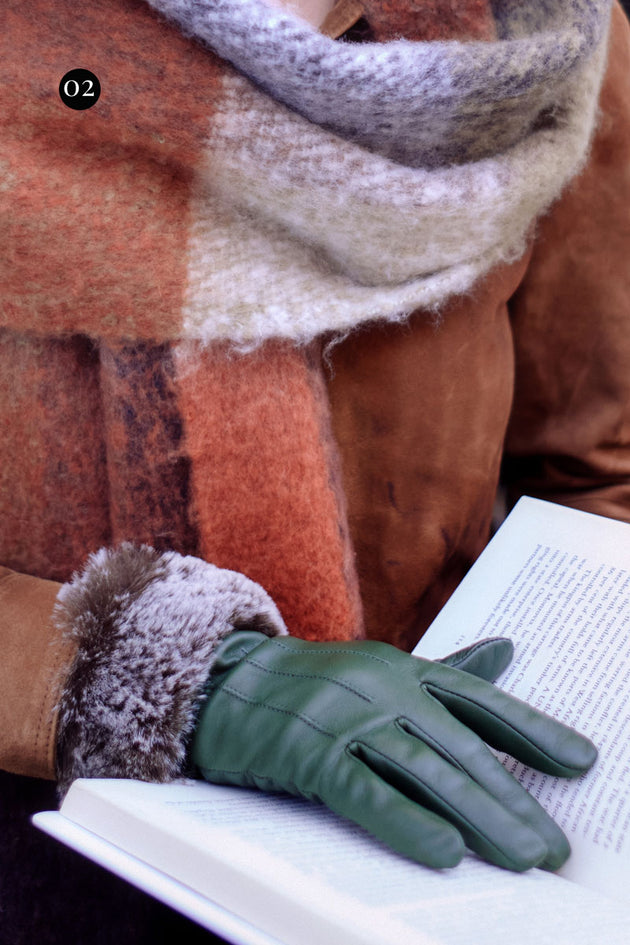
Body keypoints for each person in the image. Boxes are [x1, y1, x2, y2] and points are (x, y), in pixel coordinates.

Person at [1, 0, 628, 941]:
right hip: (55, 834)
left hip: (434, 837)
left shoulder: (537, 39)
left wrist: (579, 704)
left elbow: (598, 467)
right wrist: (189, 682)